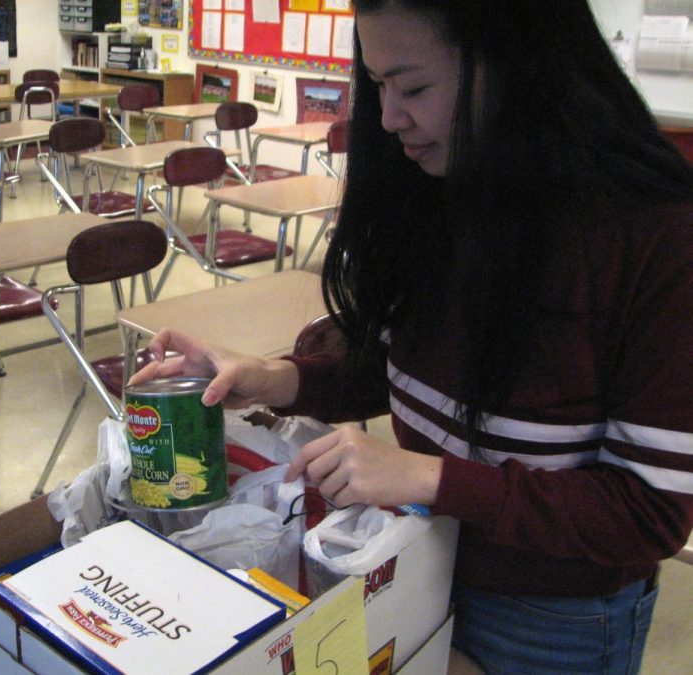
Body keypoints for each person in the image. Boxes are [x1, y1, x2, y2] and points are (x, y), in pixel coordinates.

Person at [129, 1, 693, 672]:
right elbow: (403, 366)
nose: (391, 118)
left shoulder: (655, 233)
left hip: (556, 611)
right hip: (421, 556)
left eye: (414, 87)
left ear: (511, 64)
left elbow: (649, 512)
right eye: (377, 87)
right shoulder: (441, 184)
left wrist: (429, 477)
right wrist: (275, 378)